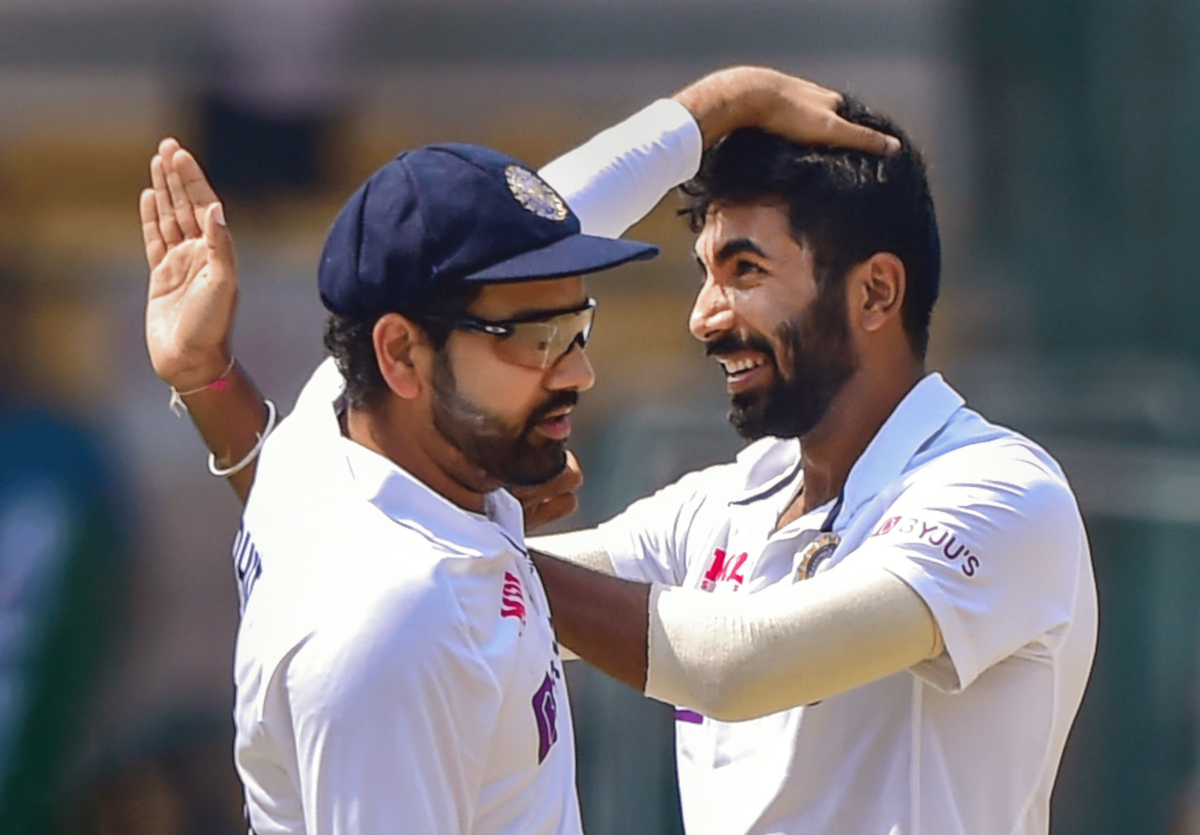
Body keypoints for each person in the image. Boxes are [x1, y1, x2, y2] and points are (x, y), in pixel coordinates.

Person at [145, 66, 1096, 835]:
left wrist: (461, 499)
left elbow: (736, 662)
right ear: (399, 352)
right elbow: (423, 568)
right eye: (703, 273)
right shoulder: (722, 507)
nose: (705, 316)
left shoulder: (1000, 493)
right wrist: (712, 105)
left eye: (745, 271)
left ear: (878, 294)